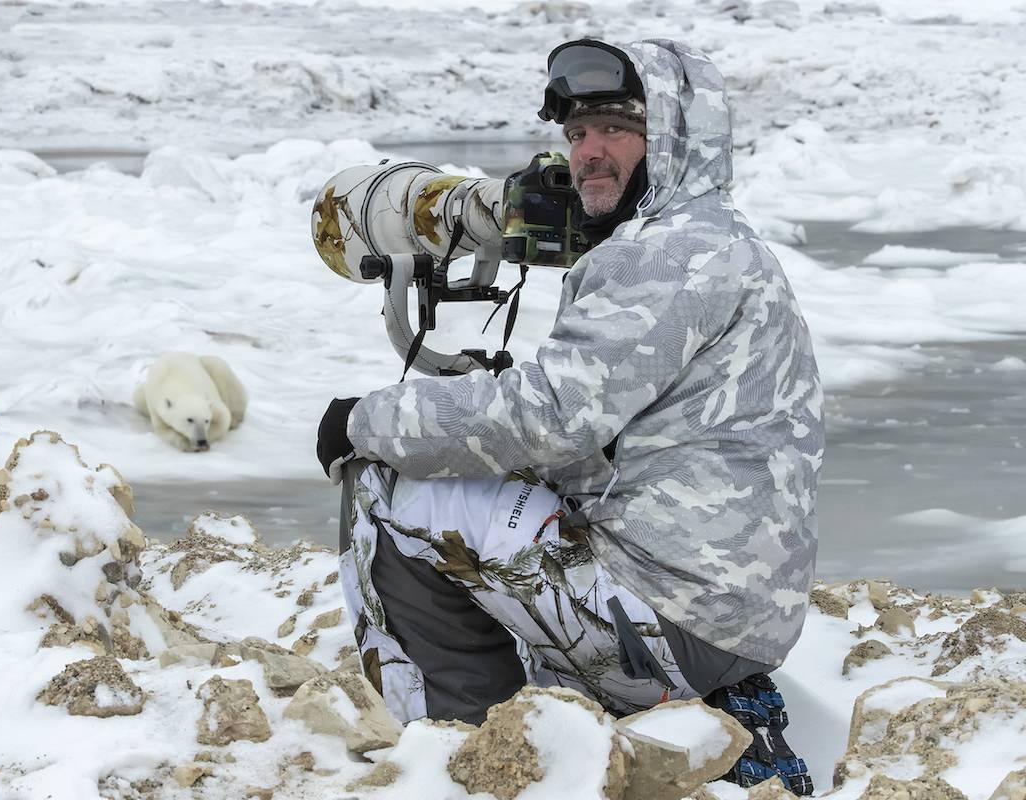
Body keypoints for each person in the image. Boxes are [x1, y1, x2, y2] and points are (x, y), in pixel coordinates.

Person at [316, 38, 823, 794]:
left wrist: (365, 420)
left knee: (385, 487)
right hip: (734, 615)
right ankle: (623, 702)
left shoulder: (667, 255)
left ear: (674, 137)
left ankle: (461, 754)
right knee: (489, 478)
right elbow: (589, 434)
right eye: (578, 133)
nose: (589, 151)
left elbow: (548, 419)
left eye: (616, 129)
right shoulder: (715, 240)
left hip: (678, 620)